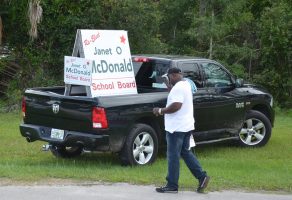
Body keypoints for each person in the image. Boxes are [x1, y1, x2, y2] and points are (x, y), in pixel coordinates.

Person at [153, 67, 210, 193]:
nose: (169, 79)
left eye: (169, 77)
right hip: (186, 126)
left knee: (173, 156)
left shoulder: (179, 87)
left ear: (173, 75)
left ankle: (172, 185)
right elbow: (175, 95)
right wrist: (168, 84)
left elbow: (176, 105)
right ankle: (202, 176)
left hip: (176, 128)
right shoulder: (185, 84)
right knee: (186, 153)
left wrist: (160, 111)